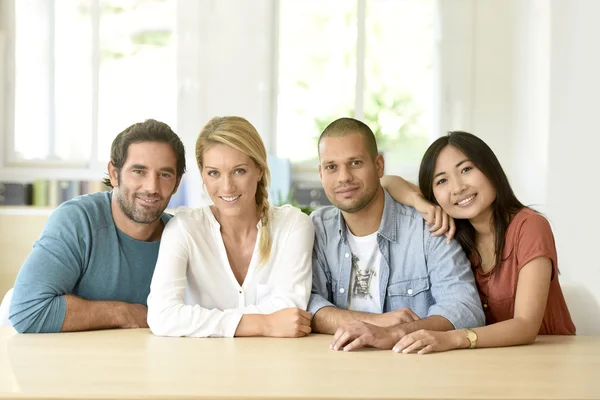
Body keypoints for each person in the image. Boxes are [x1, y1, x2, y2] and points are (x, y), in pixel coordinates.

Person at [382, 131, 575, 354]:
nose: (458, 188)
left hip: (548, 356)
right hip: (489, 359)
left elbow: (526, 325)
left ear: (490, 169)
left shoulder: (530, 226)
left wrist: (451, 338)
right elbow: (386, 182)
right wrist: (421, 204)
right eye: (442, 180)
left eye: (466, 169)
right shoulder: (456, 231)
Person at [308, 117, 484, 352]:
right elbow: (305, 303)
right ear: (321, 173)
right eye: (332, 167)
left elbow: (465, 308)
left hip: (414, 367)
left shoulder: (427, 226)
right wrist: (377, 323)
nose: (343, 177)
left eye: (355, 163)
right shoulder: (317, 228)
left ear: (379, 165)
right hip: (338, 366)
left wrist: (394, 333)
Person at [9, 119, 186, 333]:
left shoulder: (181, 235)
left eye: (165, 175)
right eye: (139, 171)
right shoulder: (77, 220)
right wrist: (127, 313)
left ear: (177, 183)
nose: (151, 187)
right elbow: (28, 311)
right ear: (114, 173)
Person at [147, 116, 314, 338]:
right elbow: (162, 316)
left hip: (274, 365)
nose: (227, 186)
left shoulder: (293, 226)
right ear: (203, 175)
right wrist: (264, 324)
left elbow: (291, 311)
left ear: (260, 170)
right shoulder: (185, 229)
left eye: (239, 171)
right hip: (201, 367)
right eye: (214, 173)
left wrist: (197, 321)